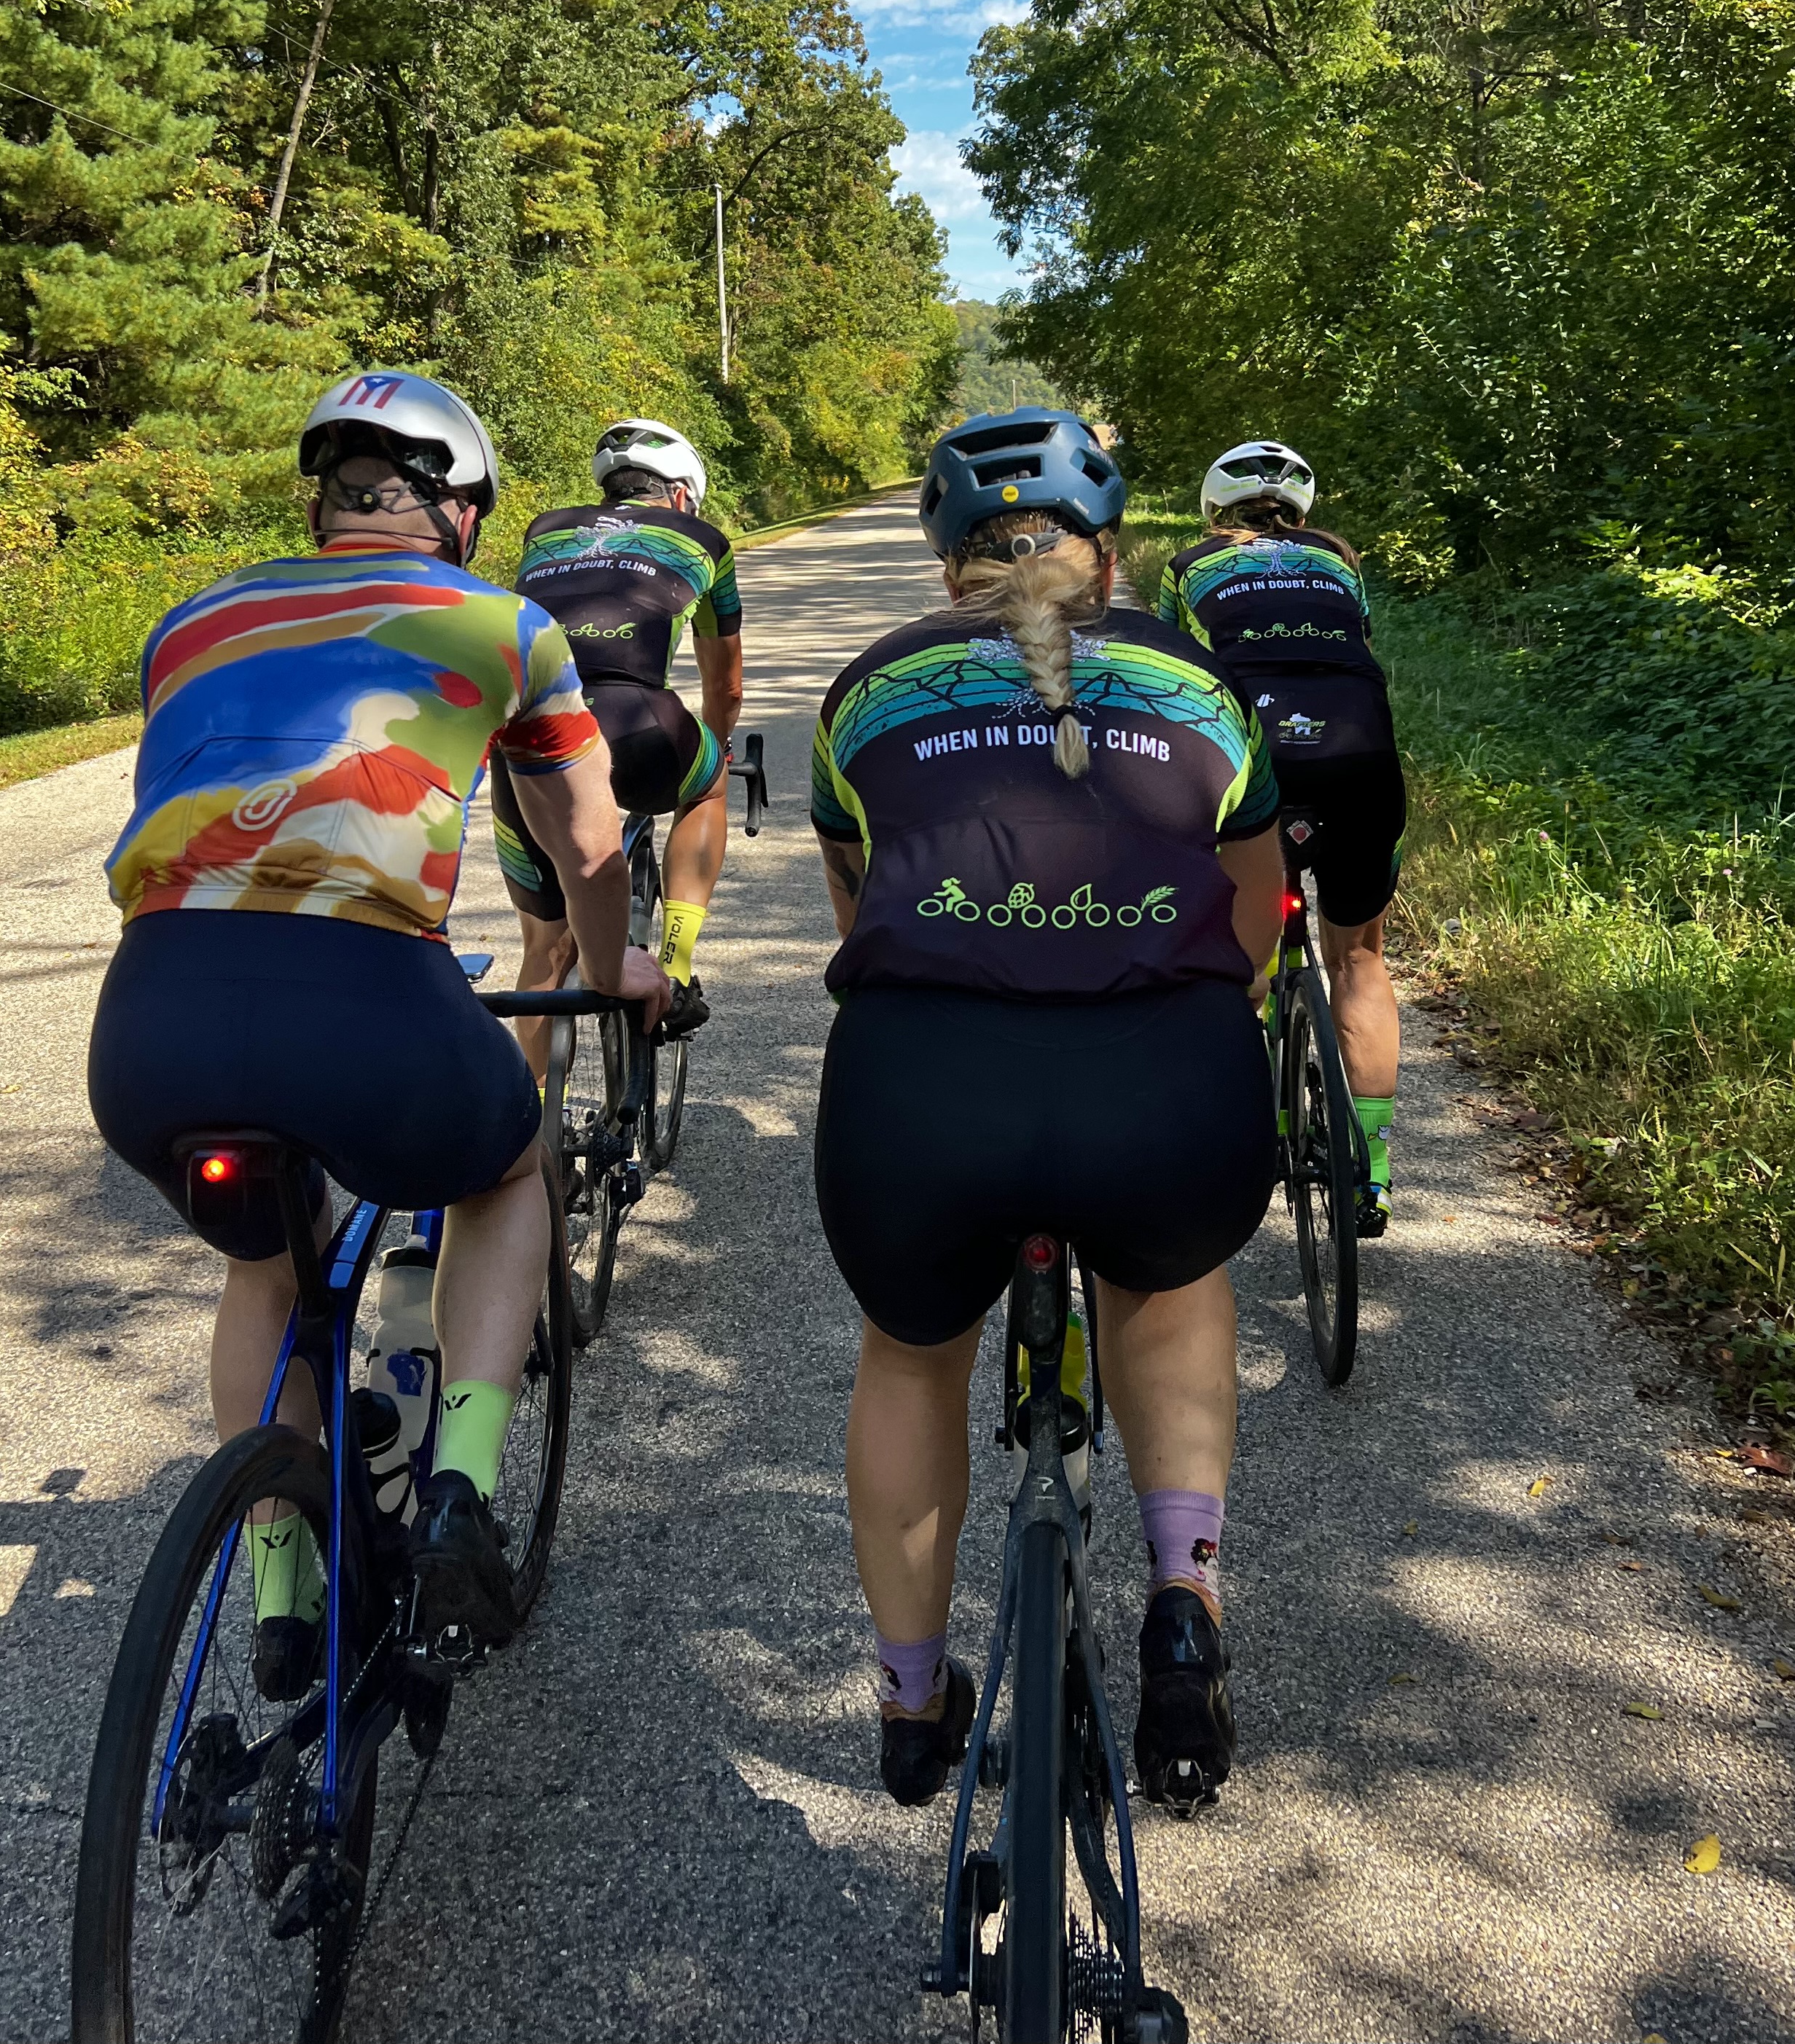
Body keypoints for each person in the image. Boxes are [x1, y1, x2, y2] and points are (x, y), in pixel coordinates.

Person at [87, 371, 668, 1689]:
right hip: (359, 994)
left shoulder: (188, 624)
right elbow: (585, 842)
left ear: (323, 503)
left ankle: (280, 1599)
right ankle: (459, 1494)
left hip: (153, 1021)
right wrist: (605, 965)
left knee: (265, 1266)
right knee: (504, 1170)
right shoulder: (503, 626)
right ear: (462, 513)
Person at [808, 407, 1283, 1814]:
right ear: (1109, 554)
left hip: (922, 1092)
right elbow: (1254, 912)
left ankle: (909, 1702)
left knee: (910, 1357)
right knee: (1168, 1284)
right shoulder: (1197, 683)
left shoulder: (865, 693)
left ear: (944, 562)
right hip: (1159, 1081)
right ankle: (1182, 1604)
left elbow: (857, 912)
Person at [1157, 442, 1405, 1232]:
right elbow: (1360, 648)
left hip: (1251, 760)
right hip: (1360, 756)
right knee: (1360, 959)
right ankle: (1373, 1173)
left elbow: (1171, 675)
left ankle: (1242, 1133)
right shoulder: (1338, 558)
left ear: (1214, 509)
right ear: (1301, 509)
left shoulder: (1188, 565)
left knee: (1242, 955)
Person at [488, 419, 742, 1060]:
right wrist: (713, 747)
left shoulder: (545, 530)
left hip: (530, 737)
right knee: (708, 786)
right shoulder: (706, 541)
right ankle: (675, 966)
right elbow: (727, 685)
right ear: (680, 496)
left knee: (546, 946)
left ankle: (533, 1109)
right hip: (642, 724)